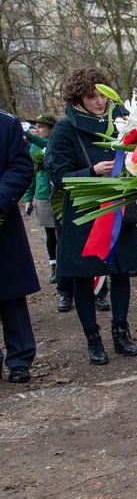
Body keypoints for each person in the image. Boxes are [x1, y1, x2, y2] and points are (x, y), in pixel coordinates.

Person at [46, 67, 137, 365]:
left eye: (102, 94)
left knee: (121, 272)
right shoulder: (66, 128)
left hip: (118, 208)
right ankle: (93, 339)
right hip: (84, 214)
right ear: (79, 98)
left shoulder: (122, 121)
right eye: (91, 96)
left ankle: (121, 333)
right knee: (83, 277)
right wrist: (91, 171)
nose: (99, 101)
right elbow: (58, 174)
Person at [1, 109, 39, 383]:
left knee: (10, 295)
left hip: (1, 222)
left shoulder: (6, 124)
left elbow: (21, 167)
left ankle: (20, 359)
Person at [22, 114, 59, 284]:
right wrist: (29, 197)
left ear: (51, 128)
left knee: (63, 233)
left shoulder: (57, 143)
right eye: (35, 126)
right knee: (50, 233)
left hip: (59, 193)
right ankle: (54, 266)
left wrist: (24, 133)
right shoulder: (35, 149)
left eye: (41, 127)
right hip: (43, 194)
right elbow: (33, 174)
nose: (37, 130)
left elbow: (46, 144)